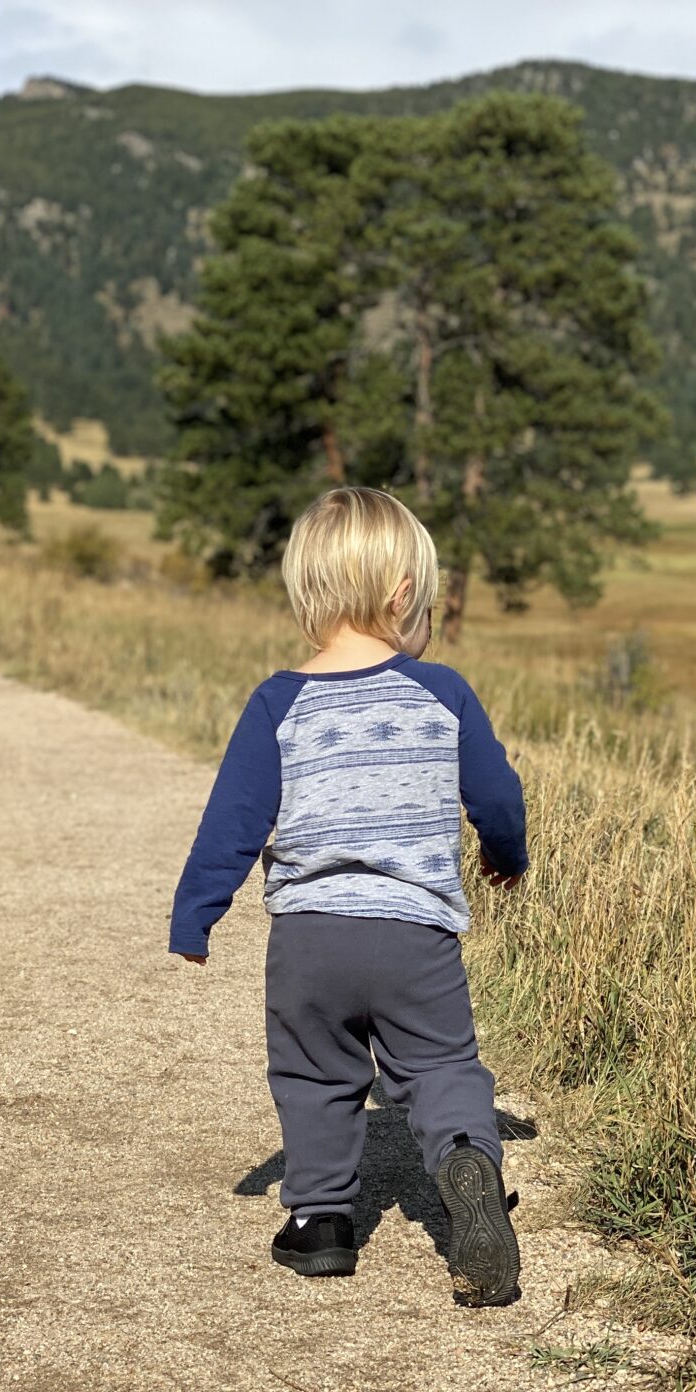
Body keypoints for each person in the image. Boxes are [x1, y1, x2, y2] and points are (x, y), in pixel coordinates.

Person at [169, 486, 529, 1307]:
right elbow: (499, 799)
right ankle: (468, 1161)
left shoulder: (277, 702)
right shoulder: (443, 692)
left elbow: (231, 822)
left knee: (315, 1073)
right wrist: (507, 856)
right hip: (416, 937)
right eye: (428, 604)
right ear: (403, 597)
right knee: (439, 1066)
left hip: (310, 938)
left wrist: (197, 914)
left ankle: (322, 1222)